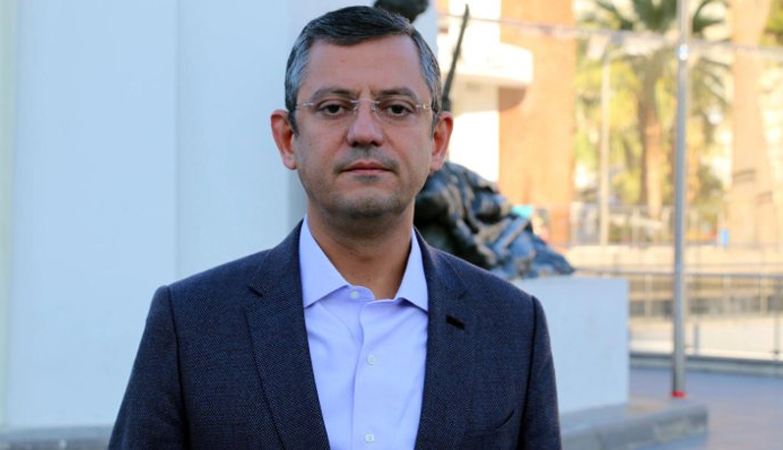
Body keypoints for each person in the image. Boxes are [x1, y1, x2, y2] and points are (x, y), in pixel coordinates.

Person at [109, 6, 561, 450]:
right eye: (333, 107)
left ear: (437, 141)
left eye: (397, 108)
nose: (365, 131)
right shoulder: (192, 325)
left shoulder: (512, 326)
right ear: (288, 139)